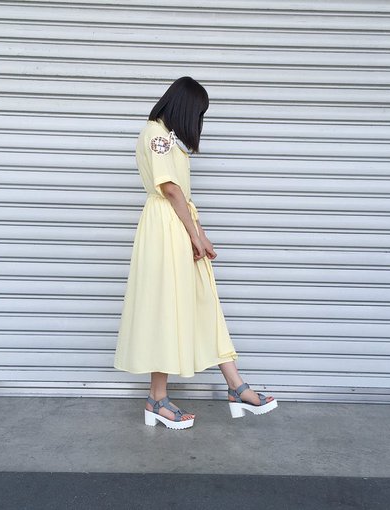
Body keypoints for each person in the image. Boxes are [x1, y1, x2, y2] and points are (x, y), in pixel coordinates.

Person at [113, 76, 277, 429]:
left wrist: (200, 234)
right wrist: (195, 235)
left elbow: (181, 195)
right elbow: (171, 190)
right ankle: (160, 398)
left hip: (178, 224)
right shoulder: (156, 135)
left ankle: (234, 385)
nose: (198, 121)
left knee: (202, 301)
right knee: (166, 308)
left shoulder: (165, 136)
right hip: (166, 227)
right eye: (198, 113)